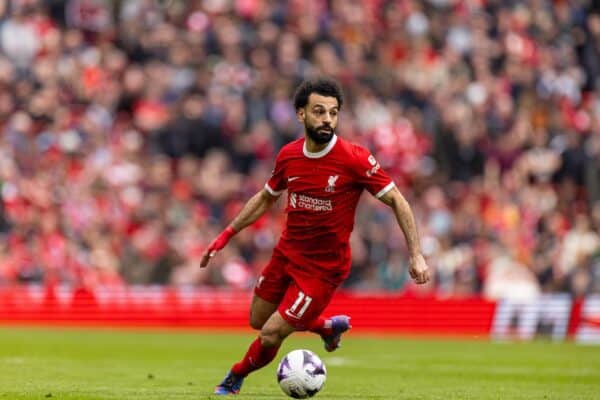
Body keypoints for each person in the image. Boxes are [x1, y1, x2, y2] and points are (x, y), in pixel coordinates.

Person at [201, 77, 430, 395]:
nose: (327, 120)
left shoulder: (355, 158)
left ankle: (235, 376)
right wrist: (227, 234)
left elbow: (398, 200)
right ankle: (326, 326)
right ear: (301, 114)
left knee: (269, 334)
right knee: (257, 319)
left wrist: (416, 253)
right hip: (286, 254)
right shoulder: (289, 155)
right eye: (319, 112)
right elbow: (266, 197)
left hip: (322, 269)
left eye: (333, 113)